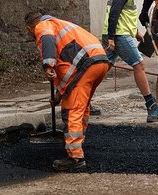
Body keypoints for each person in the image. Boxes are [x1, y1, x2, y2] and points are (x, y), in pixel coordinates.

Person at [25, 11, 110, 172]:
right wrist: (57, 97)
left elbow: (47, 40)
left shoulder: (42, 26)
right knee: (82, 106)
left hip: (86, 65)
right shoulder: (59, 25)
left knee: (72, 110)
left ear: (29, 28)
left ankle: (75, 156)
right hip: (99, 62)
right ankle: (77, 143)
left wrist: (48, 65)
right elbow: (70, 78)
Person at [102, 0, 158, 120]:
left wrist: (135, 31)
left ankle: (82, 99)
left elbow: (125, 13)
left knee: (100, 68)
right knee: (139, 64)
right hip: (118, 34)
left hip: (119, 32)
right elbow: (115, 12)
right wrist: (112, 38)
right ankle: (151, 105)